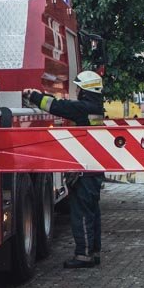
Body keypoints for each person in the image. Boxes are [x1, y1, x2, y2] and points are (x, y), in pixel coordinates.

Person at [23, 70, 106, 268]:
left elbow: (58, 107)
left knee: (82, 212)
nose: (76, 90)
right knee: (92, 211)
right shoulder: (95, 107)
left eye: (79, 87)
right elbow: (66, 106)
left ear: (85, 90)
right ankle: (93, 252)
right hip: (94, 167)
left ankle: (83, 255)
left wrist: (33, 96)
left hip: (85, 169)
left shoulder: (83, 108)